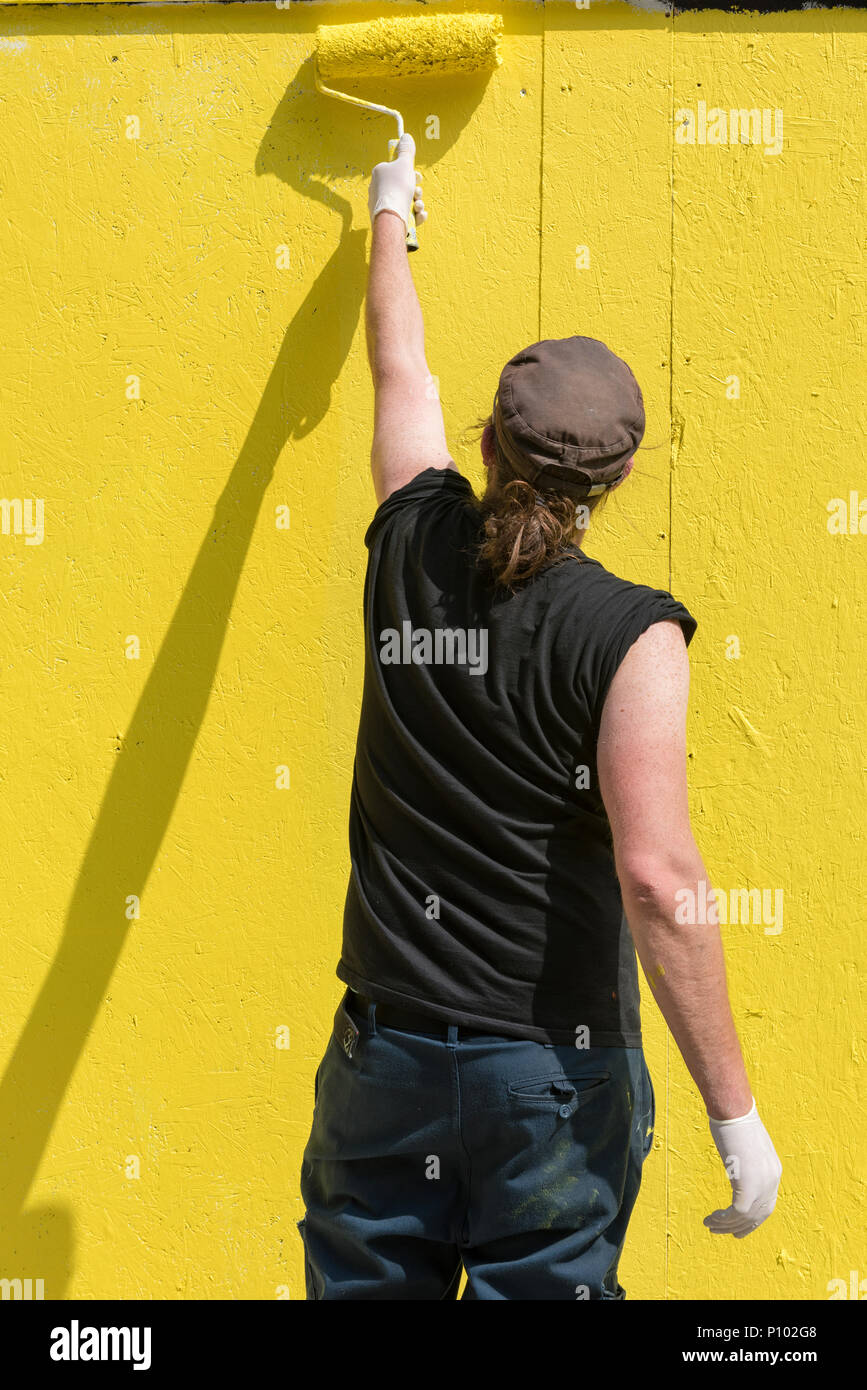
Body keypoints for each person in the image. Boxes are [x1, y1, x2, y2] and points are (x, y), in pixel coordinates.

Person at [296, 135, 782, 1300]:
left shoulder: (411, 541)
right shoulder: (634, 635)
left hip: (388, 1056)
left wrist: (389, 213)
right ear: (616, 481)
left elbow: (398, 369)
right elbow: (660, 879)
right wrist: (737, 1117)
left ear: (485, 444)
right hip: (548, 1078)